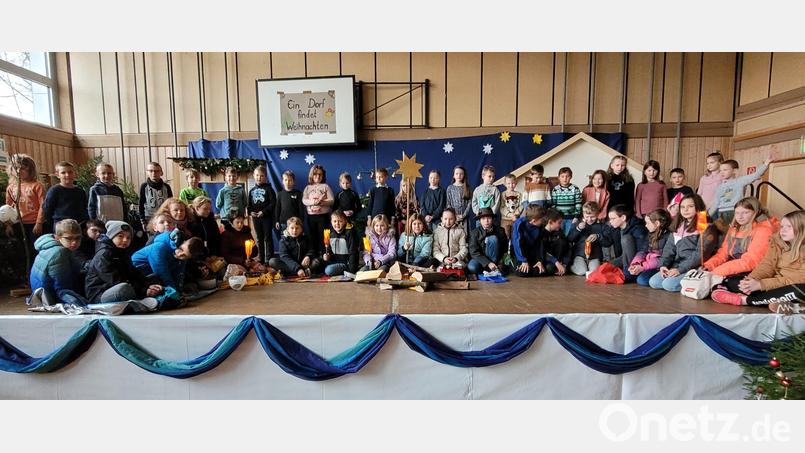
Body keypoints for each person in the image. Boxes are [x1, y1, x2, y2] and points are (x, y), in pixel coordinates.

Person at [710, 210, 805, 313]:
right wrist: (751, 280)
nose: (783, 230)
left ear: (802, 228)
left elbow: (800, 279)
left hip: (794, 286)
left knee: (801, 290)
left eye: (789, 227)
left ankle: (745, 300)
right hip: (775, 285)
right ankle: (782, 303)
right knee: (733, 280)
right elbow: (766, 265)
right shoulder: (777, 242)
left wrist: (762, 284)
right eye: (782, 226)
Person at [648, 194, 718, 292]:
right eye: (683, 207)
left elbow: (700, 255)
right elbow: (669, 249)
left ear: (698, 207)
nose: (685, 210)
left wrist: (680, 270)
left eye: (690, 206)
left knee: (669, 285)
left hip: (694, 267)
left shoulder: (704, 225)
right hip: (676, 265)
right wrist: (663, 265)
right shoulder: (678, 224)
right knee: (654, 282)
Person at [703, 197, 777, 290]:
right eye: (737, 213)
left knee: (727, 283)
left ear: (756, 212)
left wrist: (715, 273)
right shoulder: (734, 228)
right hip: (735, 268)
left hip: (754, 271)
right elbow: (723, 253)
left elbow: (751, 261)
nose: (740, 216)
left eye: (745, 212)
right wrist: (708, 267)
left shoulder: (764, 230)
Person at [84, 221, 162, 304]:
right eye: (120, 236)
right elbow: (115, 281)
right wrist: (143, 291)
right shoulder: (103, 255)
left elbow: (134, 274)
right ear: (111, 237)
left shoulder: (123, 252)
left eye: (128, 238)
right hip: (100, 295)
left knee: (155, 278)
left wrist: (148, 286)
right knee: (123, 289)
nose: (125, 240)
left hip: (126, 286)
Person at [28, 219, 84, 305]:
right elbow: (62, 288)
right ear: (57, 237)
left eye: (77, 238)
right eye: (68, 238)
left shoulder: (48, 245)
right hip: (49, 298)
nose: (74, 242)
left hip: (40, 293)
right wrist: (83, 305)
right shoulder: (60, 253)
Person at [132, 229, 205, 292]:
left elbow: (179, 273)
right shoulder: (159, 247)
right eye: (181, 249)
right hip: (138, 274)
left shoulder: (182, 255)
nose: (180, 255)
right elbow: (161, 272)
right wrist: (174, 292)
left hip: (153, 274)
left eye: (184, 256)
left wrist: (179, 290)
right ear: (182, 241)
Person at [709, 155, 772, 224]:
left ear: (734, 171)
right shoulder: (720, 187)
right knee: (722, 233)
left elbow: (755, 175)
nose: (722, 172)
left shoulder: (740, 181)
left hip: (735, 211)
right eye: (720, 170)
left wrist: (766, 163)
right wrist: (707, 215)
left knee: (735, 231)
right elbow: (716, 203)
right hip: (721, 212)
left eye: (725, 170)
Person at [5, 154, 45, 258]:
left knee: (34, 250)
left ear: (30, 170)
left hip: (33, 223)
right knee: (22, 250)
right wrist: (8, 224)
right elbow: (8, 207)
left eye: (23, 168)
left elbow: (43, 205)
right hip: (18, 223)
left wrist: (39, 223)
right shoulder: (11, 188)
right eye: (16, 168)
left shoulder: (37, 186)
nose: (19, 171)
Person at [599, 204, 649, 275]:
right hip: (623, 259)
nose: (610, 221)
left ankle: (627, 273)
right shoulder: (615, 229)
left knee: (626, 238)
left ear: (623, 217)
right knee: (603, 267)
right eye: (610, 219)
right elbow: (607, 243)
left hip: (637, 263)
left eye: (613, 219)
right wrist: (599, 237)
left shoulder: (638, 229)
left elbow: (642, 252)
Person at [626, 208, 672, 286]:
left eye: (648, 223)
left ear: (657, 223)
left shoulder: (668, 236)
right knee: (627, 273)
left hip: (658, 266)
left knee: (642, 280)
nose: (645, 225)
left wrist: (642, 267)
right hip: (647, 263)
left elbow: (662, 259)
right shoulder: (650, 234)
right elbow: (642, 251)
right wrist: (635, 264)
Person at [41, 161, 87, 233]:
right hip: (61, 226)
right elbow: (47, 210)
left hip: (78, 225)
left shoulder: (80, 191)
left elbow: (84, 208)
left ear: (74, 173)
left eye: (70, 172)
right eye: (63, 173)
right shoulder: (54, 190)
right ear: (57, 175)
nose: (67, 175)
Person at [302, 165, 335, 255]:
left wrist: (321, 202)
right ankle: (313, 256)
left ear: (323, 176)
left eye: (320, 174)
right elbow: (304, 200)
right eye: (315, 174)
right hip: (311, 217)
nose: (318, 176)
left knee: (323, 237)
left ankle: (324, 255)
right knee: (312, 237)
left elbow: (332, 200)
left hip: (323, 217)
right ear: (311, 175)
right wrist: (313, 201)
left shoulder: (325, 186)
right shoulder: (308, 188)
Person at [568, 202, 606, 276]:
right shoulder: (577, 224)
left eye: (592, 217)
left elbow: (608, 243)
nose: (589, 219)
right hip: (579, 255)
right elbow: (570, 239)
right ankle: (570, 267)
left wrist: (598, 236)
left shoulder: (602, 226)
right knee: (582, 272)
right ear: (583, 214)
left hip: (594, 256)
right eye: (587, 216)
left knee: (594, 273)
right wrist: (578, 229)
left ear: (598, 214)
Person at [248, 166, 276, 263]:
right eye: (257, 175)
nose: (259, 177)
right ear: (254, 176)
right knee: (259, 238)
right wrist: (250, 212)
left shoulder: (269, 189)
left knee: (267, 237)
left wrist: (263, 212)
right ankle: (261, 258)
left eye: (261, 176)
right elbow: (249, 205)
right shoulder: (251, 191)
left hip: (266, 217)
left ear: (265, 177)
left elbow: (273, 203)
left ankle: (269, 258)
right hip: (256, 218)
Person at [467, 207, 508, 275]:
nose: (486, 221)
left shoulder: (500, 231)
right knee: (472, 267)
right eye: (483, 218)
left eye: (489, 218)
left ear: (492, 219)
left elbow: (504, 248)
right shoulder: (474, 233)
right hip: (481, 259)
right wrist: (487, 263)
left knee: (492, 239)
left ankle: (492, 268)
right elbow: (473, 252)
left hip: (496, 258)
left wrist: (501, 261)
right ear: (479, 220)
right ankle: (486, 268)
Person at [511, 205, 549, 277]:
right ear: (533, 220)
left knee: (543, 271)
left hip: (532, 254)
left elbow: (540, 244)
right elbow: (517, 244)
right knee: (523, 272)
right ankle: (512, 265)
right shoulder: (519, 224)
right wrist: (524, 260)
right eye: (541, 220)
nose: (543, 221)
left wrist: (539, 260)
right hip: (519, 254)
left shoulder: (540, 226)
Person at [322, 210, 359, 276]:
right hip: (335, 262)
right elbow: (329, 251)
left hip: (346, 264)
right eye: (335, 221)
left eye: (340, 221)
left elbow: (353, 252)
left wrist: (352, 270)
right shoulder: (330, 234)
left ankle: (346, 271)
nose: (337, 224)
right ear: (331, 222)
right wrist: (327, 256)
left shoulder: (349, 233)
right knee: (319, 262)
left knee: (329, 270)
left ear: (345, 221)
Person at [138, 162, 173, 227]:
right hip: (149, 219)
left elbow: (171, 203)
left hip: (164, 218)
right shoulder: (144, 186)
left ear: (161, 173)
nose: (154, 173)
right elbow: (141, 204)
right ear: (147, 172)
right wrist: (142, 221)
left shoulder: (166, 187)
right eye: (151, 171)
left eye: (157, 171)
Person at [538, 208, 571, 276]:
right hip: (549, 261)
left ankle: (561, 268)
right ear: (550, 222)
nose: (560, 225)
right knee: (549, 268)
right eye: (559, 223)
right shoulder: (541, 233)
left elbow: (568, 248)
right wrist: (556, 262)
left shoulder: (560, 233)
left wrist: (564, 264)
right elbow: (542, 252)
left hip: (560, 262)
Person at [551, 166, 582, 235]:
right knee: (560, 234)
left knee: (569, 235)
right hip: (559, 218)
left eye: (567, 176)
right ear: (559, 177)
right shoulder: (555, 189)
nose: (565, 179)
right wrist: (554, 217)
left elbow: (578, 203)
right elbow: (553, 204)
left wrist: (576, 217)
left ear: (571, 177)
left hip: (571, 218)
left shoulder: (575, 188)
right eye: (562, 176)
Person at [446, 165, 472, 231]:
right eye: (457, 174)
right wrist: (454, 215)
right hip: (453, 217)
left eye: (461, 174)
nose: (459, 175)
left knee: (465, 235)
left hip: (464, 216)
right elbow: (448, 203)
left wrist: (463, 215)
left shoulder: (467, 188)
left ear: (464, 175)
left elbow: (470, 203)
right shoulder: (450, 188)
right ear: (453, 175)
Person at [500, 174, 523, 240]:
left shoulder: (519, 194)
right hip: (505, 219)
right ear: (504, 184)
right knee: (505, 235)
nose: (511, 185)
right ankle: (506, 249)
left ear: (516, 183)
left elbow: (521, 205)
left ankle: (513, 249)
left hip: (515, 219)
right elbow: (502, 207)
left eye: (513, 183)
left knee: (515, 236)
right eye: (508, 183)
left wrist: (516, 214)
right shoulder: (503, 194)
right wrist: (510, 215)